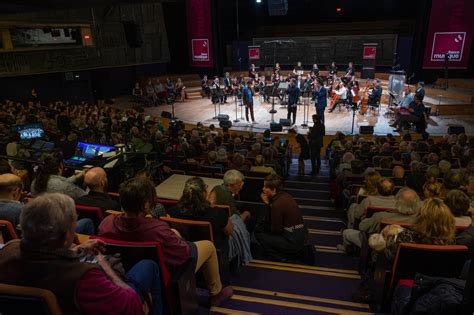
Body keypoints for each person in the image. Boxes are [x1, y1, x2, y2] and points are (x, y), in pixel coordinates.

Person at [0, 193, 163, 315]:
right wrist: (102, 262)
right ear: (65, 237)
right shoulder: (84, 278)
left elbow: (42, 258)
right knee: (148, 266)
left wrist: (74, 250)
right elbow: (131, 304)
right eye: (73, 226)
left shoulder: (9, 250)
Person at [98, 178, 233, 305]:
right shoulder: (157, 229)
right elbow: (183, 254)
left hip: (128, 267)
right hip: (168, 270)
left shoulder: (106, 223)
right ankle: (216, 293)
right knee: (209, 246)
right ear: (146, 205)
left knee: (174, 233)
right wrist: (181, 241)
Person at [340, 187, 421, 251]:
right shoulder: (421, 220)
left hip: (378, 248)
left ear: (397, 202)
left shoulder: (382, 217)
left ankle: (346, 248)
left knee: (346, 232)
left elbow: (362, 227)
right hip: (407, 250)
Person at [255, 174, 308, 261]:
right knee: (264, 229)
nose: (263, 189)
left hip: (292, 240)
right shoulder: (285, 195)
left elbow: (276, 230)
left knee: (259, 233)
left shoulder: (277, 204)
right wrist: (268, 204)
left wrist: (266, 231)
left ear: (274, 189)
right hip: (300, 235)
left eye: (265, 187)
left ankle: (279, 257)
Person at [385, 198, 455, 262]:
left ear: (420, 219)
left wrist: (390, 237)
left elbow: (389, 257)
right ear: (448, 221)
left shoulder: (405, 237)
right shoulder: (452, 244)